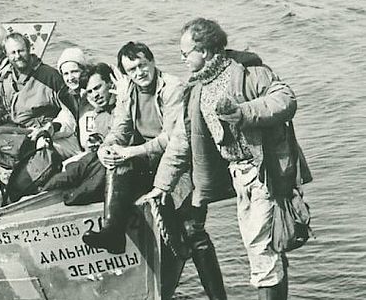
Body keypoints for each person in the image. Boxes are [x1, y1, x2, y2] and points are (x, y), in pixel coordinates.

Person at [138, 18, 309, 299]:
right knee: (266, 246)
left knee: (260, 247)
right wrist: (162, 186)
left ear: (204, 50)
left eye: (185, 53)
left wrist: (244, 112)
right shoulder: (197, 89)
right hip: (239, 176)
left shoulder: (249, 72)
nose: (181, 59)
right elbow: (183, 141)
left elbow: (285, 99)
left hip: (265, 172)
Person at [79, 42, 223, 299]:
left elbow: (172, 139)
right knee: (115, 163)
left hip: (180, 166)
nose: (139, 73)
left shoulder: (172, 88)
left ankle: (217, 297)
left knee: (193, 232)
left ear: (152, 61)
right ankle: (113, 232)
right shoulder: (128, 91)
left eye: (142, 65)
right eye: (131, 70)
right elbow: (120, 129)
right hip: (148, 162)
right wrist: (107, 147)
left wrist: (131, 152)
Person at [0, 32, 80, 160]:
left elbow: (70, 110)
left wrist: (50, 129)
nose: (18, 56)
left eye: (21, 51)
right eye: (13, 53)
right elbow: (6, 108)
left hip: (38, 129)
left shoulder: (49, 76)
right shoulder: (7, 78)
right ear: (6, 55)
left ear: (29, 49)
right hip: (17, 125)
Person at [42, 63, 119, 205]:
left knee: (83, 178)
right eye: (90, 91)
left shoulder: (121, 105)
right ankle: (41, 194)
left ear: (110, 84)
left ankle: (71, 198)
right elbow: (67, 120)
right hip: (92, 152)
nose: (95, 95)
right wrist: (51, 128)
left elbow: (120, 131)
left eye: (98, 88)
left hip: (111, 157)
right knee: (67, 173)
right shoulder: (73, 98)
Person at [56, 47, 90, 147]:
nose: (70, 78)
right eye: (66, 74)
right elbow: (67, 121)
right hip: (77, 143)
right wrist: (52, 128)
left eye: (74, 71)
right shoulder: (67, 96)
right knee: (45, 143)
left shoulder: (94, 93)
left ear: (84, 71)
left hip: (94, 146)